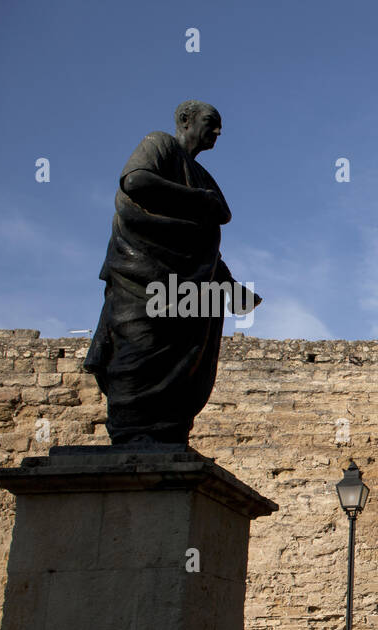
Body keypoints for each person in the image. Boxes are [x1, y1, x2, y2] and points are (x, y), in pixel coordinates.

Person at [85, 100, 260, 445]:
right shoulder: (159, 144)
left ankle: (165, 437)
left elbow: (203, 249)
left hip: (186, 291)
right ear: (185, 120)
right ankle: (130, 439)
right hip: (141, 275)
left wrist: (231, 287)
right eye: (211, 122)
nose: (218, 131)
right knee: (138, 353)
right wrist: (197, 199)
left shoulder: (202, 177)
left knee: (181, 368)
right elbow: (135, 181)